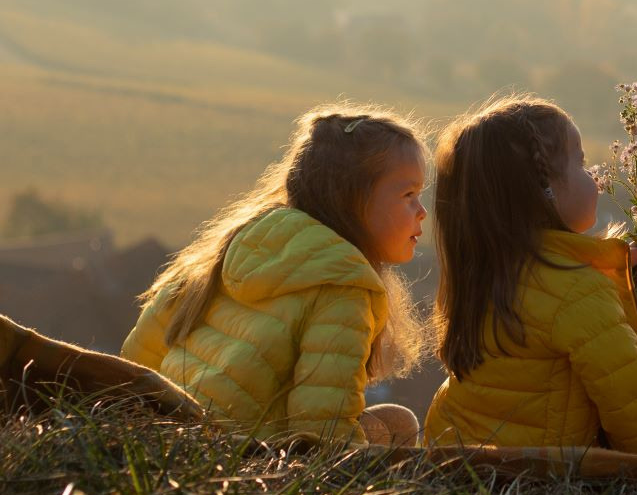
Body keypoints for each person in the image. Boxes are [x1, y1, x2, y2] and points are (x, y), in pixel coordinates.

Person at [123, 106, 428, 445]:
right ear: (352, 200)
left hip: (171, 433)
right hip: (247, 454)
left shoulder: (231, 245)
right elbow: (321, 430)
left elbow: (139, 358)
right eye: (408, 195)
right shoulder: (343, 286)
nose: (422, 212)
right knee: (400, 423)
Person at [423, 94, 637, 453]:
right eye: (581, 163)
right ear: (544, 189)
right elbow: (631, 405)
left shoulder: (481, 274)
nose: (593, 176)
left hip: (454, 452)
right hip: (534, 472)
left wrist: (610, 270)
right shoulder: (578, 291)